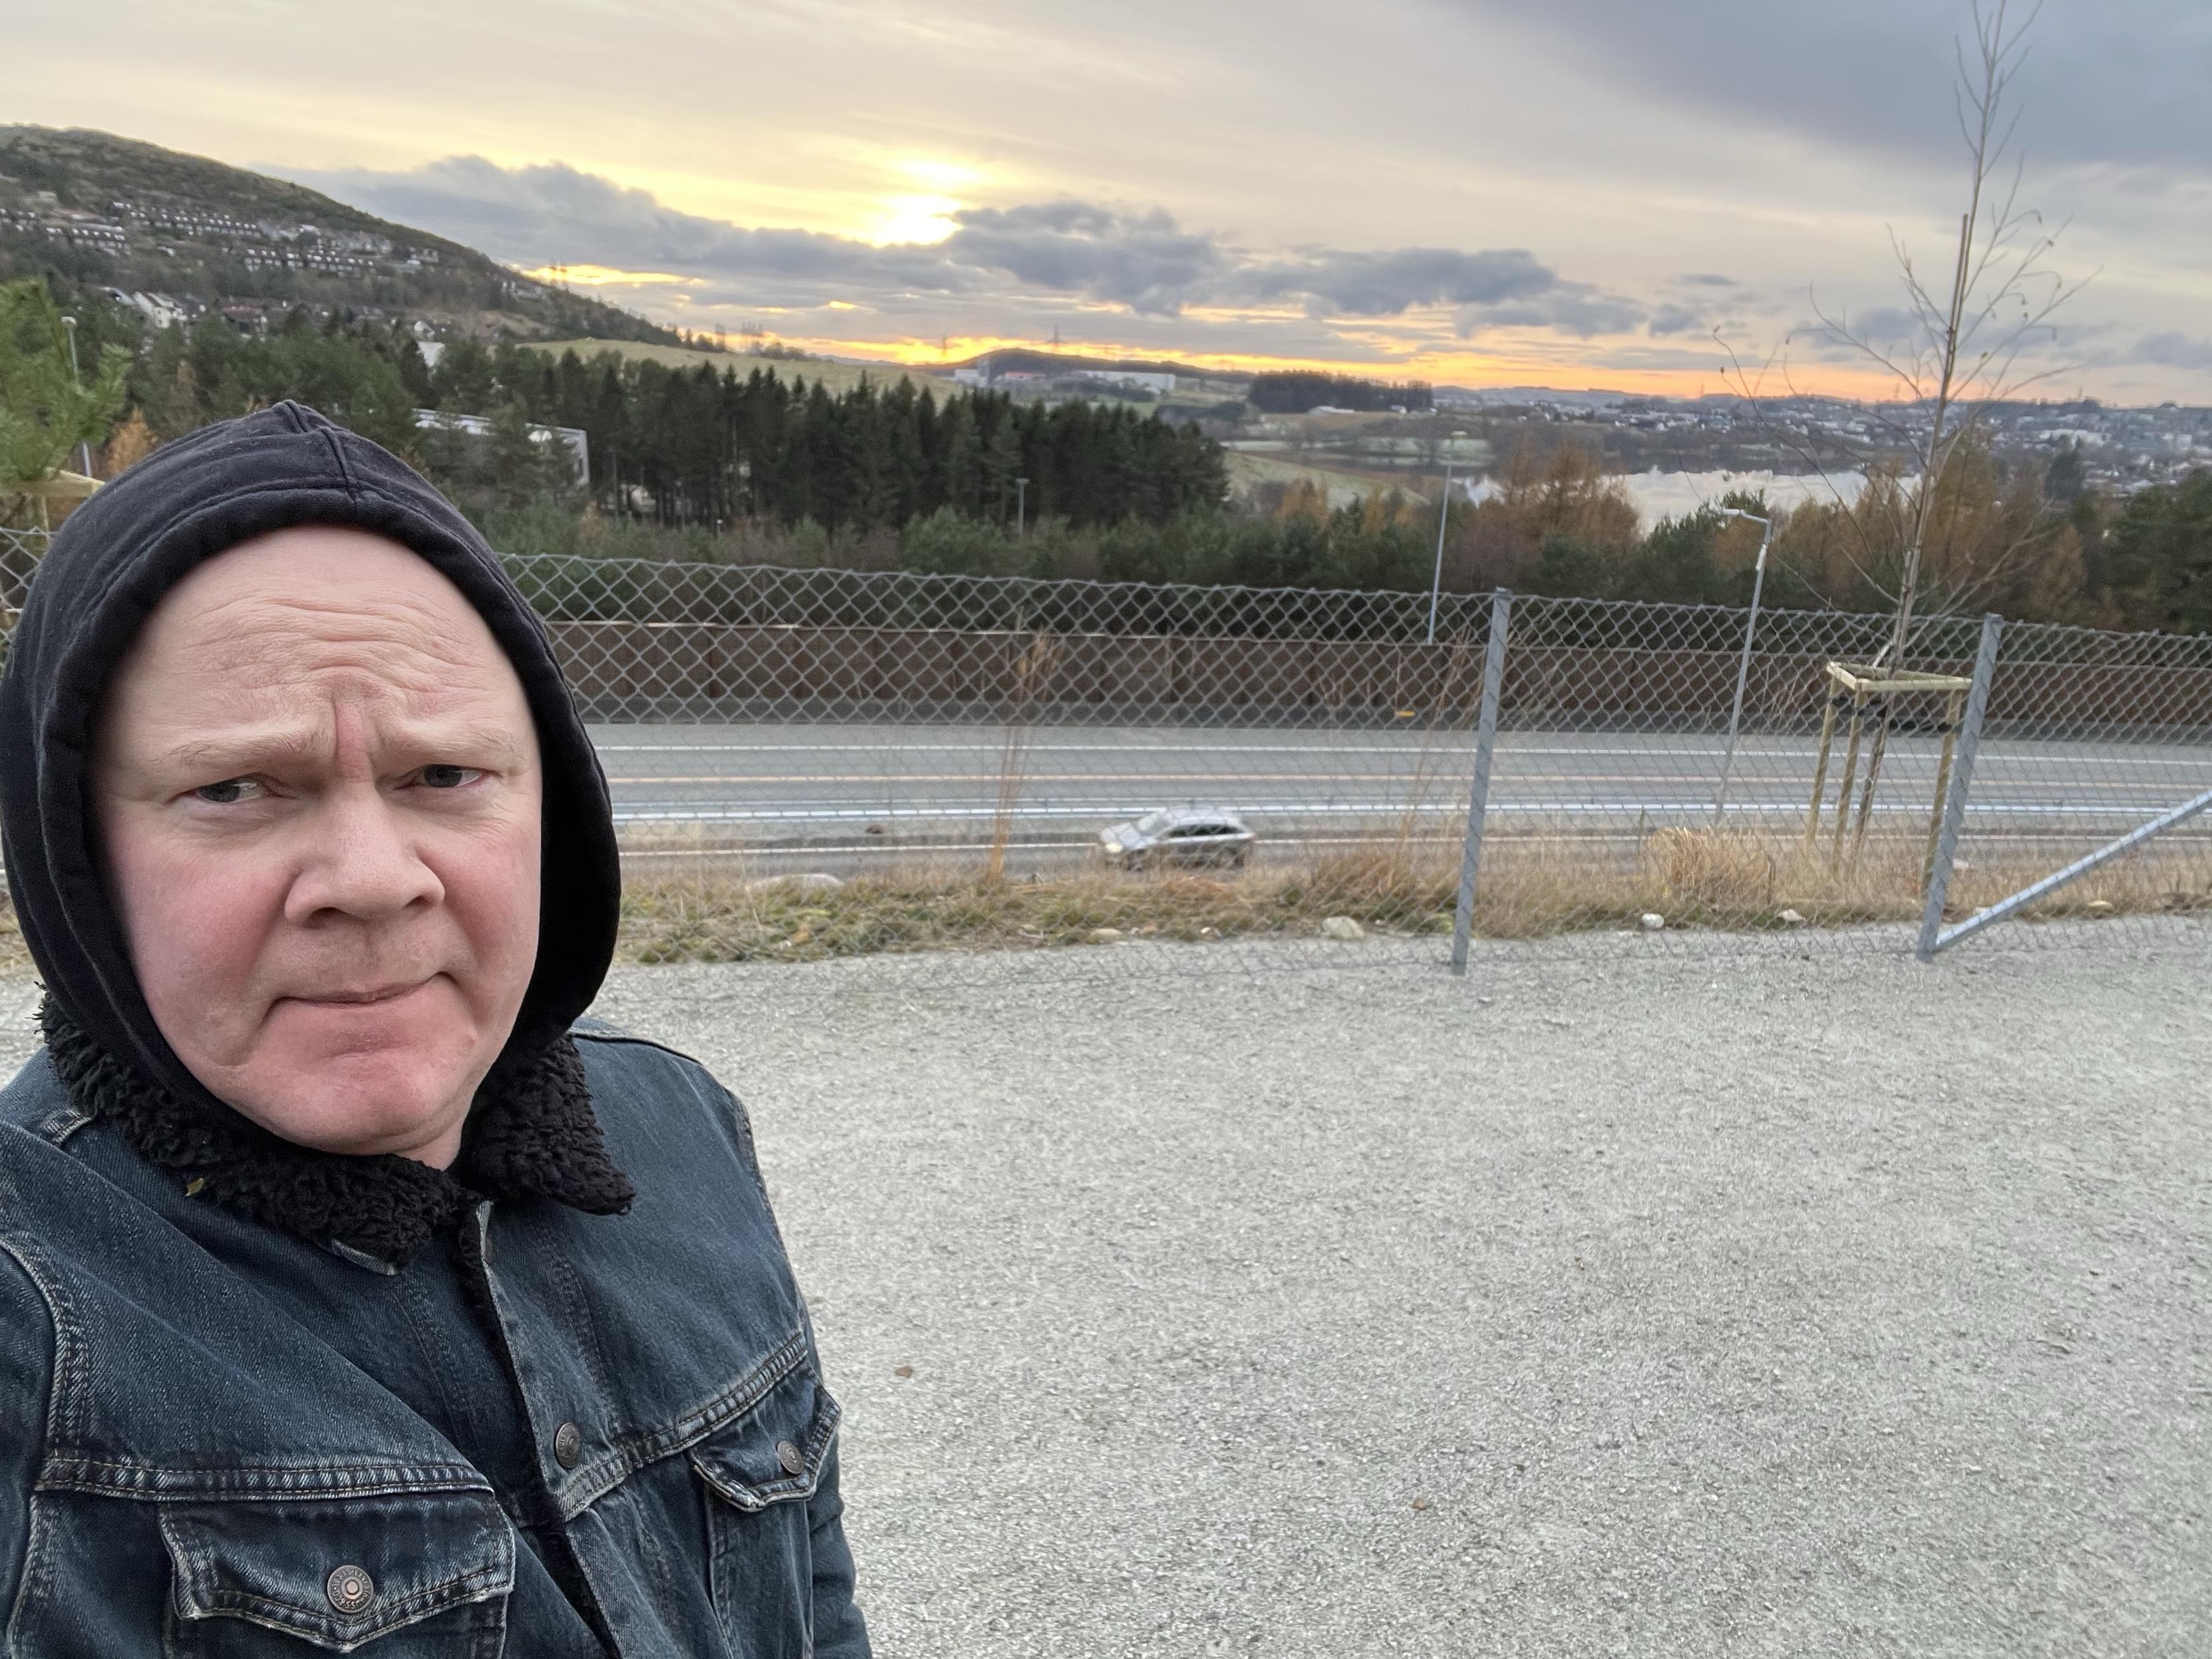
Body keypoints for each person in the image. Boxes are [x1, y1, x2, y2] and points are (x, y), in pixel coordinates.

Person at [0, 402, 869, 1654]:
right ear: (75, 853)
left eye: (443, 777)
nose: (372, 874)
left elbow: (815, 1602)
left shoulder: (683, 1127)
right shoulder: (27, 1321)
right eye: (237, 787)